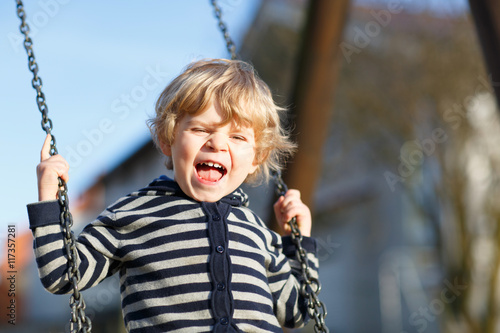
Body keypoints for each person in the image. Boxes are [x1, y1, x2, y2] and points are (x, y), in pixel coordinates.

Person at [27, 59, 319, 333]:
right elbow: (62, 274)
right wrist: (49, 200)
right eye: (201, 129)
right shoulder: (134, 213)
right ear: (168, 140)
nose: (217, 143)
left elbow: (298, 310)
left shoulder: (256, 231)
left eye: (238, 136)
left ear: (256, 157)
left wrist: (298, 240)